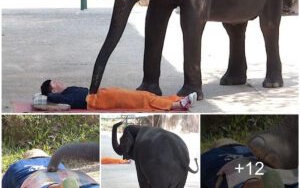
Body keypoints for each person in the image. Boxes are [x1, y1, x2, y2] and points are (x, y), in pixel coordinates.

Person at [201, 139, 298, 188]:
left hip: (233, 168)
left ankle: (260, 187)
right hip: (267, 168)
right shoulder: (249, 151)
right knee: (291, 186)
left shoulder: (210, 155)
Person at [41, 80, 197, 111]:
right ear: (53, 91)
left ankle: (176, 99)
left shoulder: (69, 90)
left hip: (104, 93)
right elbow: (49, 98)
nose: (59, 82)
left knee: (143, 94)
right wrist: (48, 95)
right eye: (55, 84)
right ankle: (176, 105)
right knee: (142, 99)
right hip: (97, 101)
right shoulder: (60, 97)